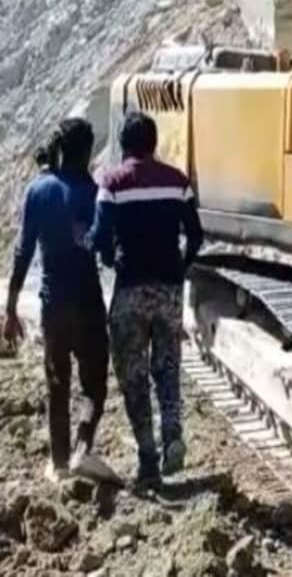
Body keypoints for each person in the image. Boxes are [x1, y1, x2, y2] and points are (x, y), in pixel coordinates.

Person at [87, 111, 204, 486]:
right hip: (168, 289)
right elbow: (196, 236)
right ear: (154, 143)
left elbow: (100, 235)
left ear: (124, 145)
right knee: (167, 367)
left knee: (133, 374)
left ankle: (148, 458)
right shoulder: (178, 182)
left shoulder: (113, 182)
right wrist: (179, 267)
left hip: (130, 288)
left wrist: (110, 259)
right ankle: (173, 434)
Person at [2, 119, 110, 483]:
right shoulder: (95, 192)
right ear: (89, 150)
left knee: (57, 383)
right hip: (89, 301)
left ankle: (59, 464)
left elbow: (23, 252)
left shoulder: (38, 191)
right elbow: (106, 250)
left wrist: (11, 307)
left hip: (54, 305)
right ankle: (83, 449)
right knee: (93, 383)